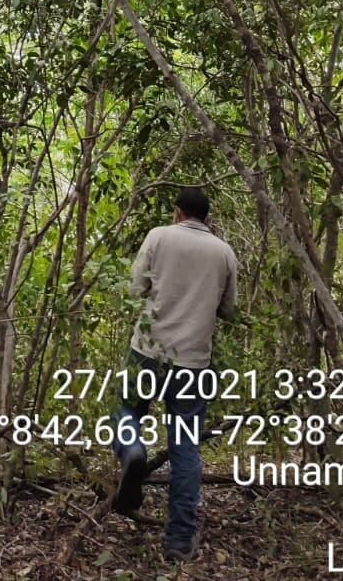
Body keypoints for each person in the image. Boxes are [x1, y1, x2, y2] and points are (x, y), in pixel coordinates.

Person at [112, 185, 237, 564]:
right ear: (207, 218)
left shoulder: (158, 237)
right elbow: (228, 311)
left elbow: (136, 289)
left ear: (177, 212)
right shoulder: (224, 252)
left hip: (147, 351)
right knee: (185, 449)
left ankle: (132, 451)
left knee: (126, 411)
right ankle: (179, 541)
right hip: (194, 364)